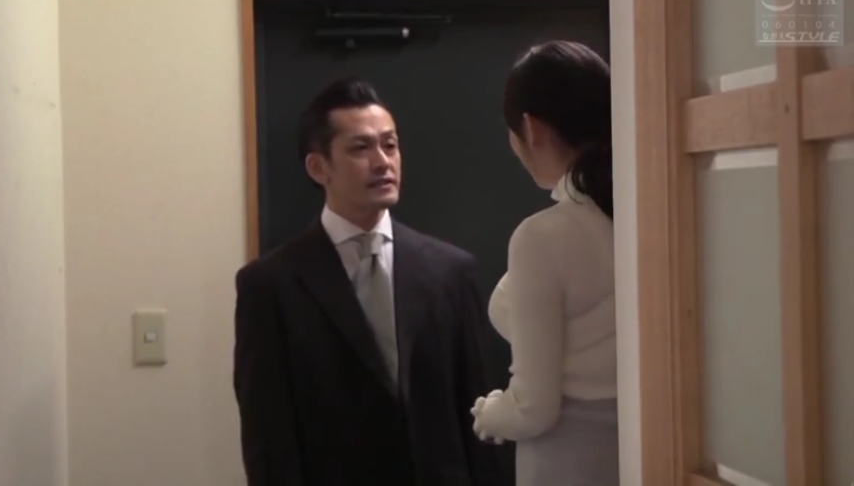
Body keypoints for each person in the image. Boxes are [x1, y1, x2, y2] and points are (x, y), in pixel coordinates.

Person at [233, 78, 508, 486]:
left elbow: (480, 411)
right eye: (361, 148)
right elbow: (267, 436)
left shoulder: (451, 271)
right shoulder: (270, 285)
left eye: (390, 145)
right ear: (318, 167)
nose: (382, 162)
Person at [469, 40, 619, 486]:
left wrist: (490, 412)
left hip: (566, 462)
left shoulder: (542, 236)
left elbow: (533, 409)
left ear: (531, 129)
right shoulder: (648, 210)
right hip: (644, 448)